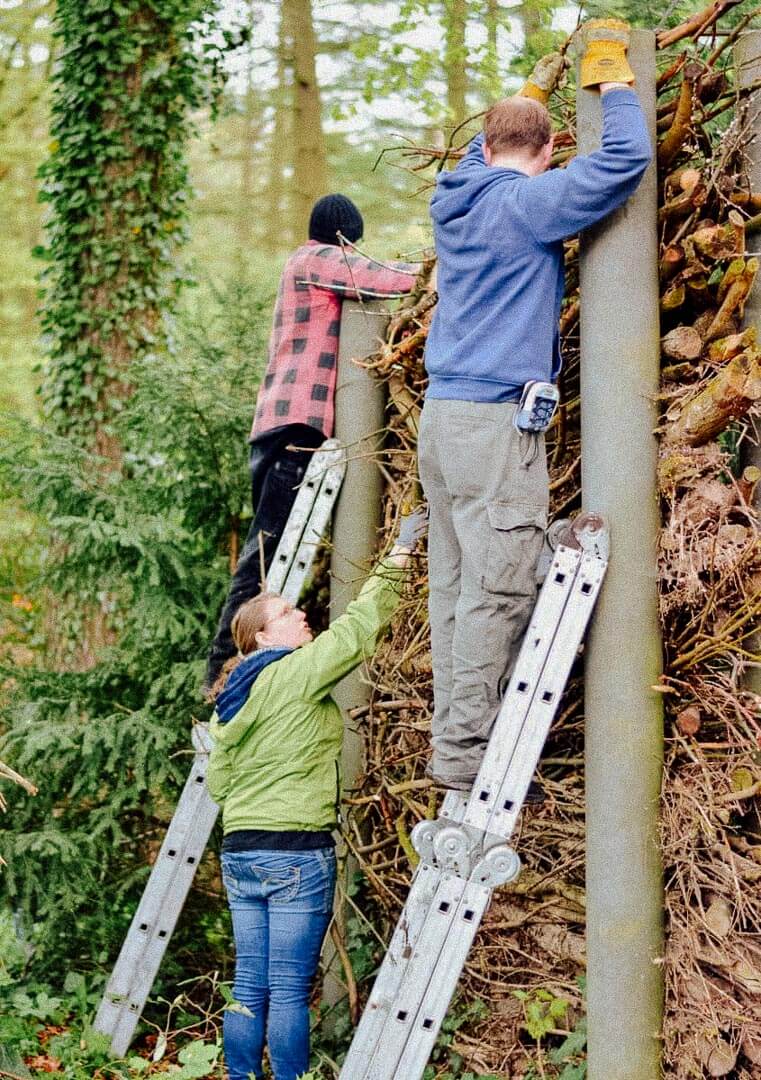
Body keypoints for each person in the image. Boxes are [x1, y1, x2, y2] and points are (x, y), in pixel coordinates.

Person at [418, 20, 653, 790]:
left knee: (453, 588)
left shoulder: (455, 197)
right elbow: (624, 160)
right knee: (498, 588)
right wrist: (615, 84)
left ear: (483, 150)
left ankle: (448, 749)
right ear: (548, 155)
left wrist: (527, 97)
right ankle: (462, 760)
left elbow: (481, 154)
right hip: (492, 427)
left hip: (441, 422)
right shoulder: (525, 205)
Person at [206, 510, 426, 1080]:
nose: (301, 613)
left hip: (240, 851)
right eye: (285, 612)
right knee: (285, 988)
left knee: (249, 982)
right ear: (261, 636)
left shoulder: (232, 697)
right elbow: (358, 628)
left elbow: (219, 782)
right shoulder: (296, 672)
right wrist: (399, 554)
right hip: (295, 851)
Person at [204, 193, 417, 691]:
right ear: (342, 237)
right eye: (351, 242)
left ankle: (233, 665)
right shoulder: (314, 259)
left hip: (282, 426)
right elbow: (389, 280)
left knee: (266, 547)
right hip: (296, 428)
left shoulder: (306, 265)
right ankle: (223, 675)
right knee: (263, 554)